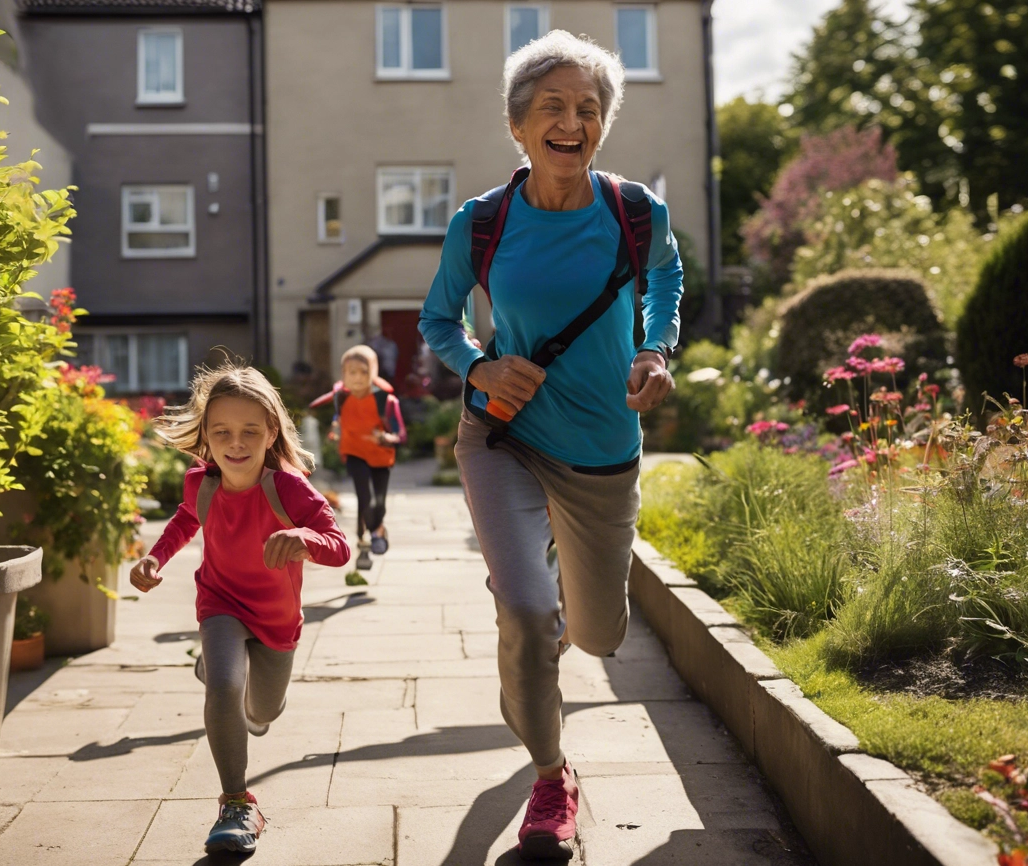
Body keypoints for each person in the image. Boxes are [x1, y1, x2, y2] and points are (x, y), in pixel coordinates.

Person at [418, 31, 683, 861]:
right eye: (553, 108)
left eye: (588, 109)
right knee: (527, 617)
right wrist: (480, 368)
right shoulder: (484, 223)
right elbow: (438, 320)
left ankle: (562, 600)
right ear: (519, 126)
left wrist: (655, 348)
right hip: (502, 437)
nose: (572, 123)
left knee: (599, 636)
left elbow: (666, 279)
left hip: (603, 446)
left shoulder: (635, 211)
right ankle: (550, 774)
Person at [129, 364, 350, 855]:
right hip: (220, 601)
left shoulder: (289, 488)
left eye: (251, 430)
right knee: (226, 687)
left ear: (271, 431)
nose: (236, 443)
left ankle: (225, 674)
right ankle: (236, 803)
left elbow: (339, 547)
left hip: (276, 620)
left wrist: (303, 537)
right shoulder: (200, 484)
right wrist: (154, 556)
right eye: (222, 431)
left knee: (261, 710)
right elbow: (185, 521)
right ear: (206, 435)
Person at [312, 345, 406, 571]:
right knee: (365, 495)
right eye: (351, 372)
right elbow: (337, 412)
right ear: (343, 374)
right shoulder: (341, 397)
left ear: (373, 372)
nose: (357, 378)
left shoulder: (386, 401)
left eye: (363, 372)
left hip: (380, 457)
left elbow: (401, 434)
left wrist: (385, 437)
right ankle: (367, 536)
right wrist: (334, 427)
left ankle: (375, 530)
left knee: (378, 504)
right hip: (354, 452)